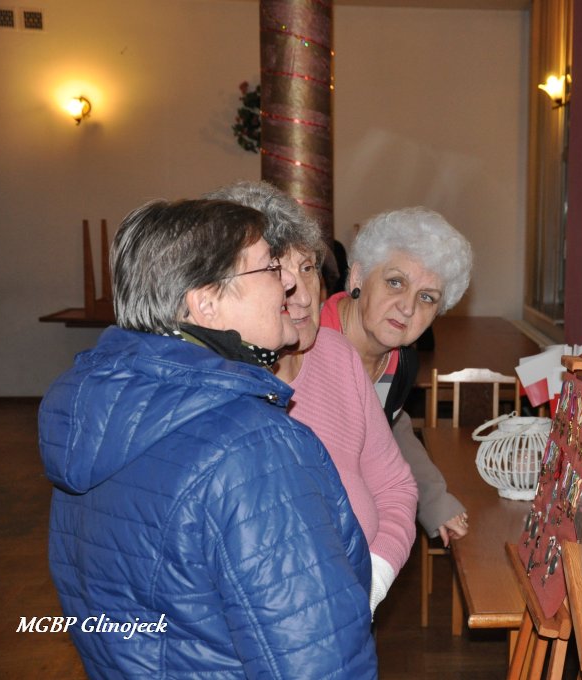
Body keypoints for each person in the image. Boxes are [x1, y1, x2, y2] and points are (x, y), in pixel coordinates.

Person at [38, 199, 376, 678]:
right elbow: (314, 659)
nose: (288, 282)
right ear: (206, 303)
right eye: (269, 267)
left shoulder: (95, 418)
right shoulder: (254, 448)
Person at [206, 181, 417, 614]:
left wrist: (372, 583)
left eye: (308, 268)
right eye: (278, 274)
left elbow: (395, 486)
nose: (304, 296)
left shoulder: (337, 354)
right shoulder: (220, 389)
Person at [323, 206, 473, 545]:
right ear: (358, 277)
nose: (407, 307)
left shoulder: (400, 362)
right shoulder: (303, 348)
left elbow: (390, 428)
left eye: (427, 298)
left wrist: (434, 500)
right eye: (395, 282)